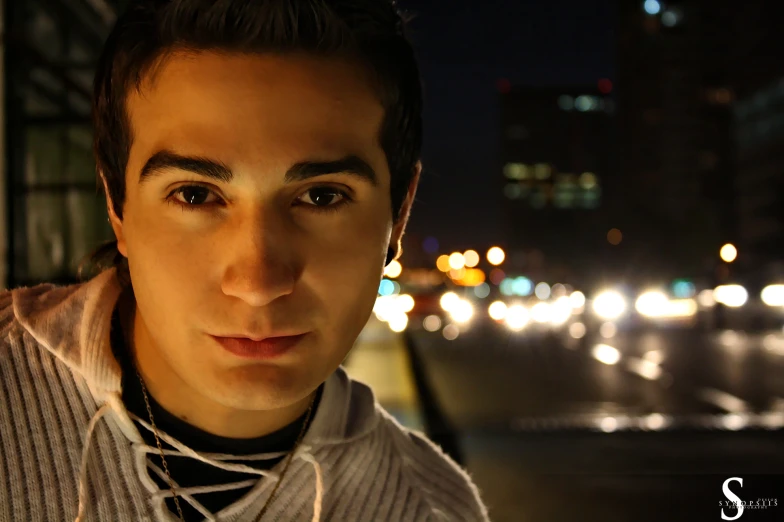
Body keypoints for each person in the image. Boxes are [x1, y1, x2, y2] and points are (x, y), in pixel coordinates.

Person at [0, 1, 491, 521]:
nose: (258, 282)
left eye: (321, 197)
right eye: (194, 195)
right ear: (116, 207)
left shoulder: (430, 511)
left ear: (401, 211)